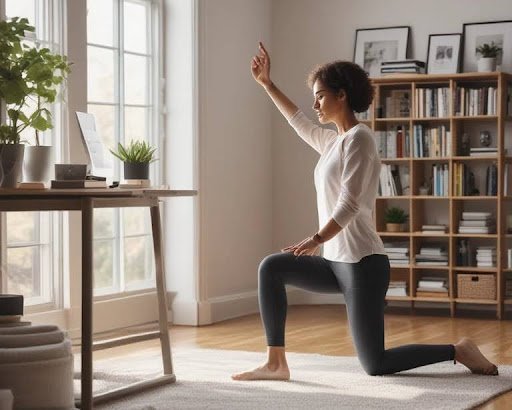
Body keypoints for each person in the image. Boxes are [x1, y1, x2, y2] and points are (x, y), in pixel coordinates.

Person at [232, 42, 498, 381]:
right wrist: (268, 84)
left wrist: (315, 239)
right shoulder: (333, 142)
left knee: (376, 364)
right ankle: (275, 362)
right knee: (271, 268)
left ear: (341, 95)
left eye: (320, 96)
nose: (314, 104)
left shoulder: (360, 139)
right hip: (334, 262)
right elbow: (296, 120)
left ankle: (457, 351)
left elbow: (349, 204)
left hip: (363, 265)